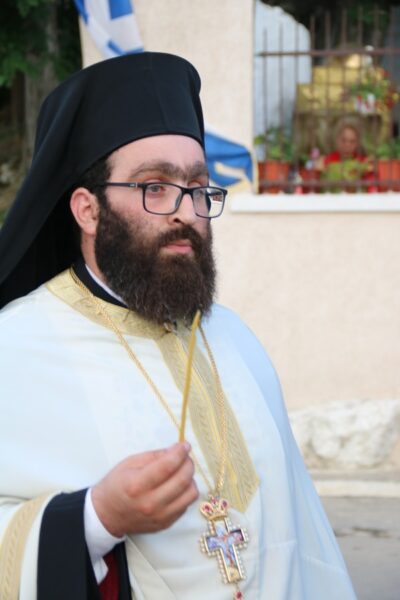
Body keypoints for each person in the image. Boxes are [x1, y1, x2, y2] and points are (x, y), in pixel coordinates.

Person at [0, 52, 356, 599]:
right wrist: (96, 517)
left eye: (197, 186)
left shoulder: (236, 340)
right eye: (155, 187)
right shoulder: (17, 347)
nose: (186, 211)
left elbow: (304, 537)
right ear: (87, 210)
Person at [315, 120, 376, 192]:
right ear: (337, 140)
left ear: (357, 144)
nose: (347, 145)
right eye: (343, 140)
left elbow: (372, 188)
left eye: (352, 141)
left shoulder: (364, 162)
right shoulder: (325, 161)